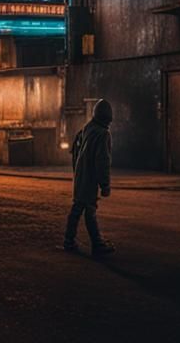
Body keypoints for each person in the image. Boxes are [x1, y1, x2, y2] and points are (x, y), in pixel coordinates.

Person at [64, 99, 116, 257]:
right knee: (90, 211)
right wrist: (105, 185)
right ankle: (97, 245)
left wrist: (77, 171)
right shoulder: (103, 134)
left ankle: (69, 241)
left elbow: (75, 150)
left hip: (81, 175)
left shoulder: (87, 128)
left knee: (78, 209)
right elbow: (102, 161)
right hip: (90, 179)